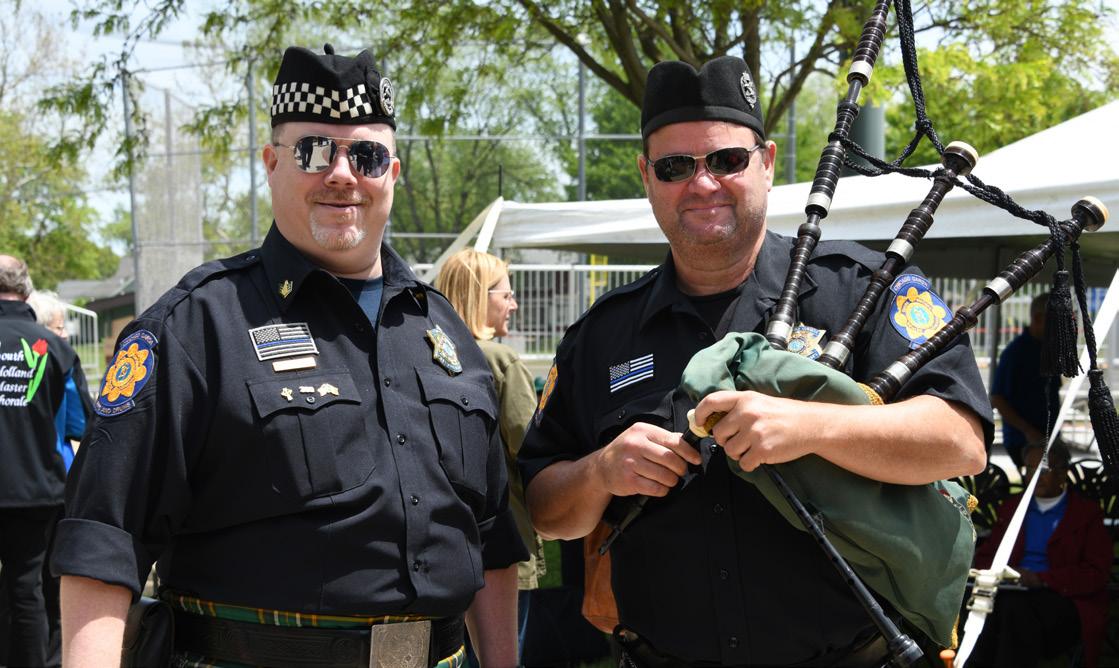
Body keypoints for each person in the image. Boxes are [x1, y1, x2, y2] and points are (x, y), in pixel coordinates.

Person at [52, 44, 527, 668]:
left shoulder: (445, 332)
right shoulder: (196, 326)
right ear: (272, 163)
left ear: (393, 172)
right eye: (313, 152)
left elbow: (488, 537)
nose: (342, 174)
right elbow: (104, 540)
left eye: (366, 156)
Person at [518, 56, 991, 667]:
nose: (702, 183)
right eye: (674, 166)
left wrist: (812, 427)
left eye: (726, 160)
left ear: (766, 163)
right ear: (646, 176)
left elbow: (960, 441)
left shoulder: (861, 288)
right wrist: (601, 471)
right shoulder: (602, 335)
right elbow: (546, 510)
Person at [435, 248, 547, 663]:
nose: (513, 304)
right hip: (500, 542)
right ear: (479, 295)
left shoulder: (428, 356)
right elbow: (532, 446)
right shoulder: (500, 360)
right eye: (506, 294)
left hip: (441, 549)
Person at [0, 256, 85, 667]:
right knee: (25, 588)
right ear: (26, 290)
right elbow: (81, 422)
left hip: (30, 489)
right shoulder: (55, 348)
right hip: (34, 489)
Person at [970, 442, 1111, 668]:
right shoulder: (1012, 508)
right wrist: (996, 573)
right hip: (1011, 593)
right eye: (1030, 469)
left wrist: (1041, 579)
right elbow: (988, 555)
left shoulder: (1086, 514)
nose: (1036, 476)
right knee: (993, 607)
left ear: (1063, 473)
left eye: (1044, 469)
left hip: (1063, 599)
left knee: (1008, 611)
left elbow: (1095, 573)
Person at [990, 292, 1062, 466]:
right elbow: (997, 399)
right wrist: (1029, 432)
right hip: (1024, 440)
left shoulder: (1049, 350)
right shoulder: (1016, 353)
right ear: (1038, 318)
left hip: (1047, 436)